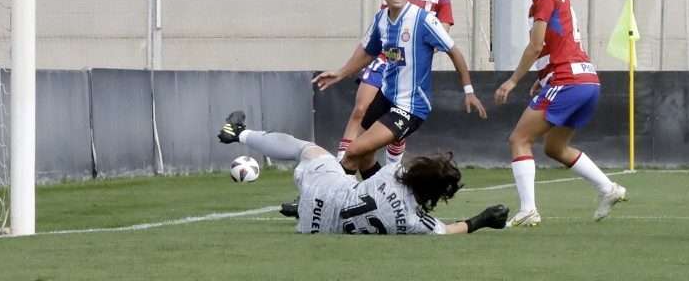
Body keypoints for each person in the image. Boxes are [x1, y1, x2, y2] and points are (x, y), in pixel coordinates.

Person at [493, 0, 627, 227]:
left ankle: (528, 209)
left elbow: (537, 44)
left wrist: (513, 80)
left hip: (568, 80)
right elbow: (559, 40)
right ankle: (608, 188)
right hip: (586, 80)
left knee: (519, 138)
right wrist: (543, 76)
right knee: (555, 147)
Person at [314, 0, 486, 182]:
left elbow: (454, 51)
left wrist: (468, 90)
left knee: (353, 152)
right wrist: (341, 72)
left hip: (411, 106)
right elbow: (368, 52)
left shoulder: (423, 20)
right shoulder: (381, 19)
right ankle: (381, 202)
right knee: (364, 157)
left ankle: (331, 195)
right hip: (386, 98)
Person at [217, 111, 508, 235]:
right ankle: (299, 205)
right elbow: (449, 230)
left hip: (323, 191)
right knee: (344, 177)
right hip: (314, 227)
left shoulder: (396, 172)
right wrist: (482, 220)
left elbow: (365, 154)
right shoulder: (415, 222)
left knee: (305, 149)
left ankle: (240, 134)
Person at [336, 0, 456, 167]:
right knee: (361, 108)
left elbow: (444, 34)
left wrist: (423, 43)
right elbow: (381, 28)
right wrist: (342, 71)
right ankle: (342, 163)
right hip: (385, 58)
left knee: (396, 124)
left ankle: (391, 169)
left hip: (407, 65)